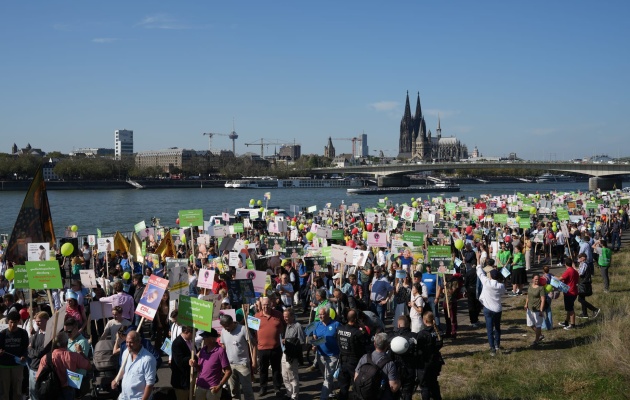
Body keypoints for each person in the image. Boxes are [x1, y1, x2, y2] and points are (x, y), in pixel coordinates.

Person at [36, 331, 92, 400]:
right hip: (68, 389)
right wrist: (80, 352)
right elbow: (89, 366)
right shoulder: (74, 356)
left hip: (51, 389)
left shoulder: (46, 358)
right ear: (67, 343)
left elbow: (38, 376)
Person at [219, 313, 256, 400]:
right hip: (230, 365)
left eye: (227, 327)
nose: (225, 329)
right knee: (233, 391)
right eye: (224, 327)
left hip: (243, 364)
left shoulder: (243, 329)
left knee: (247, 390)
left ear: (232, 323)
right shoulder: (224, 331)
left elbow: (253, 345)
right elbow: (223, 347)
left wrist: (254, 361)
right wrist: (222, 363)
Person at [354, 332, 400, 400]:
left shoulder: (365, 357)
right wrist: (399, 382)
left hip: (364, 396)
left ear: (374, 344)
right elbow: (393, 388)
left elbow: (356, 378)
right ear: (387, 346)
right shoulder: (389, 364)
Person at [113, 330, 156, 400]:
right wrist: (116, 379)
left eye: (131, 342)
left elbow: (150, 384)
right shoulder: (126, 352)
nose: (128, 345)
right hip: (124, 396)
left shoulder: (148, 359)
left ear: (139, 342)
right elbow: (123, 370)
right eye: (127, 342)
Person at [255, 296, 285, 397]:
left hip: (276, 347)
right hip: (262, 348)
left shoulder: (278, 314)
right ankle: (263, 388)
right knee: (263, 370)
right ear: (261, 305)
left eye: (267, 305)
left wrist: (284, 337)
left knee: (276, 369)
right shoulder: (256, 316)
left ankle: (277, 388)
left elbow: (284, 326)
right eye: (264, 305)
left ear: (271, 304)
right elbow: (251, 332)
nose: (266, 307)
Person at [336, 309, 367, 400]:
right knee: (356, 385)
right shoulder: (357, 332)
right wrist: (363, 328)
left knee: (343, 386)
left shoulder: (339, 329)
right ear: (356, 319)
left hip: (342, 360)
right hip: (354, 361)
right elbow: (366, 341)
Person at [192, 329, 232, 400]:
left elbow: (228, 371)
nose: (203, 339)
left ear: (212, 339)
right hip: (200, 386)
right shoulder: (203, 350)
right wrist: (195, 364)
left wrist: (219, 386)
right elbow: (200, 369)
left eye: (205, 337)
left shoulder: (220, 351)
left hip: (213, 388)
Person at [312, 305, 341, 400]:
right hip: (321, 355)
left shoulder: (336, 324)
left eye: (322, 314)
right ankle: (331, 392)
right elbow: (315, 338)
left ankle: (323, 397)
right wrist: (314, 345)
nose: (320, 316)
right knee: (326, 376)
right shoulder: (316, 325)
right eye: (319, 314)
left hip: (333, 356)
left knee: (328, 377)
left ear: (328, 314)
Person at [477, 266, 505, 356]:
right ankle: (497, 345)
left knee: (489, 329)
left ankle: (492, 348)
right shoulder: (501, 286)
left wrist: (478, 263)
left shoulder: (487, 282)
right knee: (497, 328)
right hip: (497, 309)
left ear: (491, 276)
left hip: (488, 309)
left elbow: (480, 273)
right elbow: (503, 292)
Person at [0, 310, 28, 400]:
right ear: (8, 321)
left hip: (17, 365)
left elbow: (25, 348)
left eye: (15, 322)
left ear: (18, 321)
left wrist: (24, 356)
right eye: (11, 322)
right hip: (4, 366)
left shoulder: (23, 333)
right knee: (4, 391)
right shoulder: (2, 334)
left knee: (17, 391)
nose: (13, 325)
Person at [416, 312, 444, 400]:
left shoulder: (422, 334)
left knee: (425, 386)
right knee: (434, 383)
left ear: (424, 321)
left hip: (425, 362)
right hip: (436, 360)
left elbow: (419, 349)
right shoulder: (438, 331)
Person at [281, 308, 305, 400]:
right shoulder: (286, 325)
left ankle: (294, 396)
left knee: (292, 376)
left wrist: (287, 341)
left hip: (292, 355)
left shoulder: (298, 326)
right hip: (285, 352)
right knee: (284, 375)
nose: (285, 318)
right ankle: (289, 393)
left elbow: (301, 341)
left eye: (286, 317)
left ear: (292, 316)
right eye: (284, 316)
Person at [27, 311, 50, 400]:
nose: (37, 323)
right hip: (33, 367)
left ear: (46, 320)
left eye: (39, 321)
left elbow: (39, 353)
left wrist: (30, 349)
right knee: (33, 393)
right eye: (36, 321)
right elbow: (31, 352)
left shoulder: (49, 336)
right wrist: (31, 350)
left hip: (43, 369)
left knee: (42, 393)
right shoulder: (36, 334)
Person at [171, 326, 196, 400]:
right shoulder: (177, 343)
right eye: (193, 334)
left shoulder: (191, 341)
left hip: (192, 375)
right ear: (186, 332)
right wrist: (194, 357)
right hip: (182, 380)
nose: (194, 336)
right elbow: (179, 361)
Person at [524, 274, 546, 346]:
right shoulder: (530, 286)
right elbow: (528, 295)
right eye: (536, 279)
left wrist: (541, 310)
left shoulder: (541, 288)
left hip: (537, 309)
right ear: (532, 279)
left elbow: (543, 300)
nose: (537, 281)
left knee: (538, 325)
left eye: (538, 279)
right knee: (530, 324)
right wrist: (526, 304)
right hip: (530, 308)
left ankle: (536, 340)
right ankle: (540, 335)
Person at [576, 253, 600, 319]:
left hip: (584, 283)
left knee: (580, 299)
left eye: (580, 257)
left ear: (583, 258)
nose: (579, 259)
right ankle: (584, 313)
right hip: (583, 283)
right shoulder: (582, 264)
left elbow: (581, 273)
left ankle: (594, 309)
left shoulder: (584, 264)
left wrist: (574, 268)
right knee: (582, 298)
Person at [558, 258, 579, 330]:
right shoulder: (575, 271)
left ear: (565, 264)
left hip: (569, 292)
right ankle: (566, 322)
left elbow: (560, 278)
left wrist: (553, 278)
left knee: (570, 309)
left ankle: (573, 324)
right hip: (574, 291)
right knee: (568, 308)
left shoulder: (568, 271)